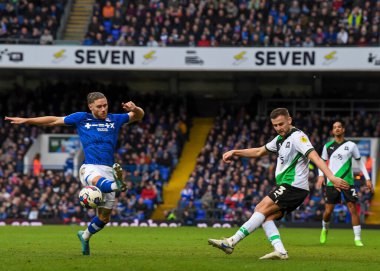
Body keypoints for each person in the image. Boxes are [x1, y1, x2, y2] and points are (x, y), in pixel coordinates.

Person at [5, 92, 144, 256]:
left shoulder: (115, 119)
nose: (103, 109)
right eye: (99, 106)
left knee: (104, 219)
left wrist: (135, 108)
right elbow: (53, 120)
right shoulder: (81, 118)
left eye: (105, 105)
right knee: (100, 181)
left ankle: (85, 236)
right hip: (90, 167)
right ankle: (115, 185)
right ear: (90, 107)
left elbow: (138, 116)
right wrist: (27, 120)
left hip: (108, 169)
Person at [208, 108, 349, 260]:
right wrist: (235, 152)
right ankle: (280, 251)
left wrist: (331, 178)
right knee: (266, 217)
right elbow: (259, 152)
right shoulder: (279, 139)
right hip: (291, 188)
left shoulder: (298, 137)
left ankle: (231, 242)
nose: (279, 128)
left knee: (260, 208)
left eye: (281, 124)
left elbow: (315, 157)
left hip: (293, 186)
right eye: (275, 125)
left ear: (290, 120)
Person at [316, 121, 373, 246]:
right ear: (332, 131)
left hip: (348, 182)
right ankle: (325, 229)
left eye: (339, 127)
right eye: (334, 127)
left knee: (353, 209)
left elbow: (360, 162)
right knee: (328, 211)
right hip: (332, 182)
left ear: (343, 130)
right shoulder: (327, 146)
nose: (337, 129)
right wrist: (321, 176)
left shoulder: (351, 145)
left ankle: (357, 238)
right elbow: (321, 163)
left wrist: (367, 178)